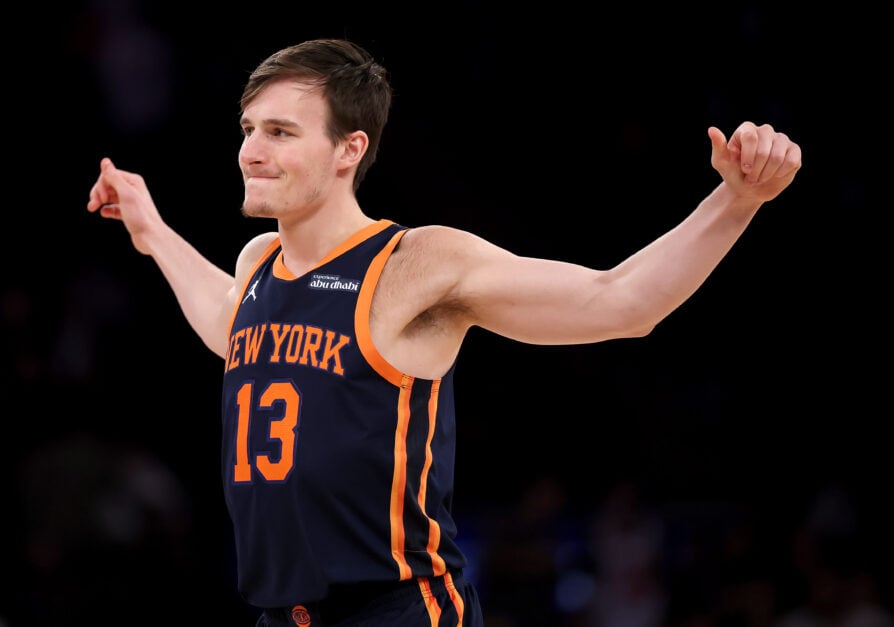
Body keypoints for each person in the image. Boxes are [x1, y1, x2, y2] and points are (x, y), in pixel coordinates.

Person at [86, 38, 802, 626]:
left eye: (279, 132)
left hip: (397, 609)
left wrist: (735, 201)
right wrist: (152, 230)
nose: (250, 150)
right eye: (248, 129)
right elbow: (228, 326)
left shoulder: (415, 263)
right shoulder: (259, 264)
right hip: (281, 614)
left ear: (347, 150)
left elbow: (620, 300)